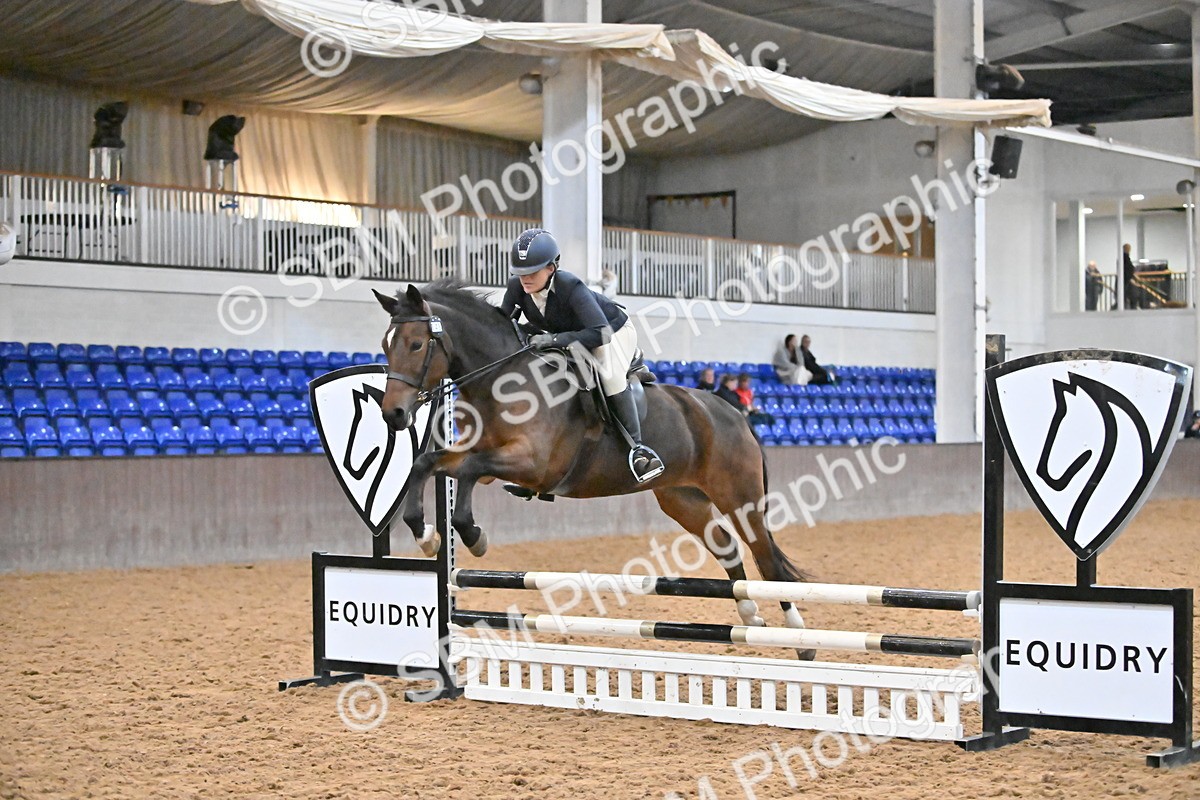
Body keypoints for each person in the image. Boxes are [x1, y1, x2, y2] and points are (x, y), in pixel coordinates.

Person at [500, 228, 664, 482]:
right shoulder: (517, 288)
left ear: (552, 268)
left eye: (532, 272)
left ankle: (638, 451)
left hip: (612, 330)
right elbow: (504, 324)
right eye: (520, 272)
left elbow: (601, 333)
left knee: (609, 376)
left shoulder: (570, 287)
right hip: (573, 335)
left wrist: (553, 340)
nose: (525, 279)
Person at [1123, 243, 1140, 309]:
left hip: (1128, 279)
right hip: (1127, 280)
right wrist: (1130, 278)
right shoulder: (1124, 257)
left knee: (1132, 295)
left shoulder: (1126, 257)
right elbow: (1126, 269)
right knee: (1131, 295)